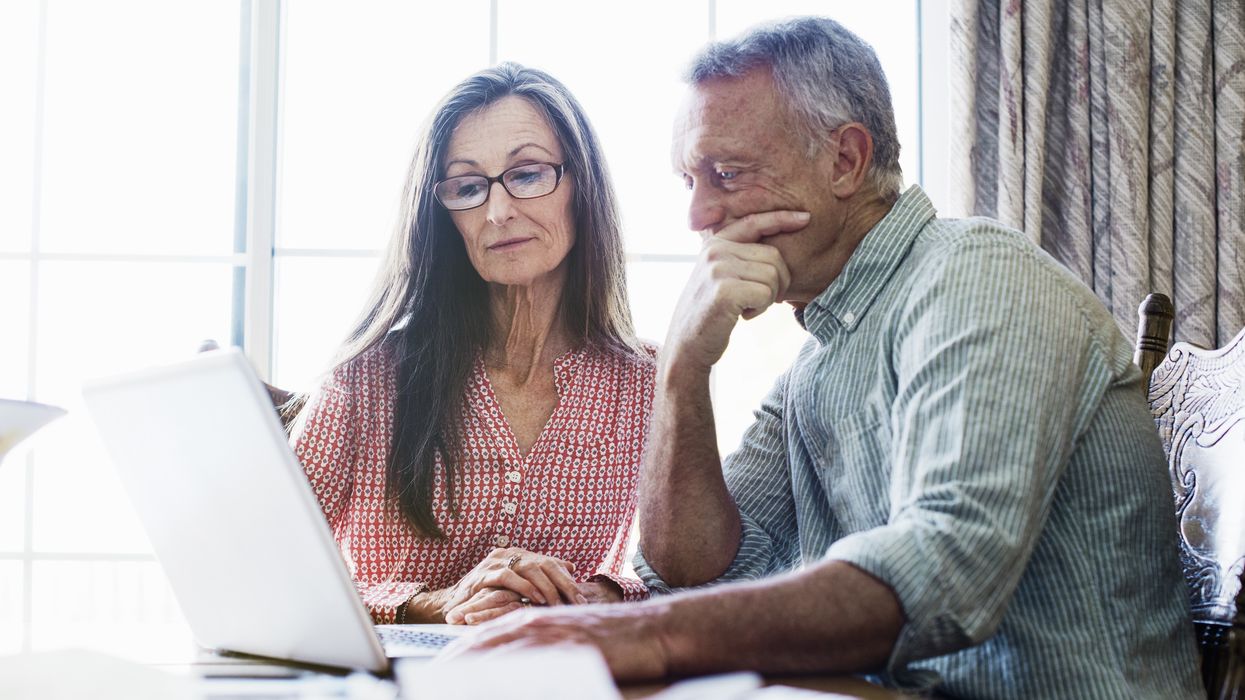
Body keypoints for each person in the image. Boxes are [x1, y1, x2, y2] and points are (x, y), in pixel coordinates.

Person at [452, 17, 1205, 698]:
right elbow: (691, 569)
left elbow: (942, 570)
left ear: (845, 159)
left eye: (728, 173)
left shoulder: (975, 272)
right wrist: (682, 369)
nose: (698, 214)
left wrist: (635, 634)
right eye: (689, 180)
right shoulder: (817, 361)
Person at [289, 62, 655, 627]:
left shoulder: (648, 381)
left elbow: (687, 574)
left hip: (565, 667)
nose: (498, 211)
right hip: (403, 670)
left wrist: (602, 593)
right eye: (466, 187)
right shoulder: (365, 377)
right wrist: (429, 604)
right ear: (444, 216)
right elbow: (271, 571)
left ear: (582, 186)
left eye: (527, 174)